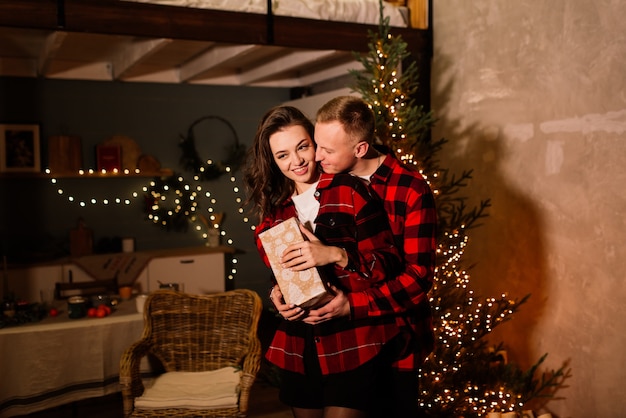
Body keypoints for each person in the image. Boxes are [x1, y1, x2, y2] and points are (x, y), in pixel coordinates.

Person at [272, 96, 438, 417]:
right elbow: (302, 249)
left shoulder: (410, 190)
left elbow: (417, 278)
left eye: (327, 150)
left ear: (360, 149)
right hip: (340, 339)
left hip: (396, 337)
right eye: (315, 145)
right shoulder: (327, 179)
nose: (316, 157)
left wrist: (351, 304)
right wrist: (284, 288)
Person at [243, 105, 403, 418]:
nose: (297, 161)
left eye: (303, 147)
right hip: (300, 346)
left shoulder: (351, 190)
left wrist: (335, 254)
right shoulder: (273, 217)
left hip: (352, 340)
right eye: (283, 155)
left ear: (316, 143)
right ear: (273, 162)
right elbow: (284, 277)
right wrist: (279, 295)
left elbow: (387, 263)